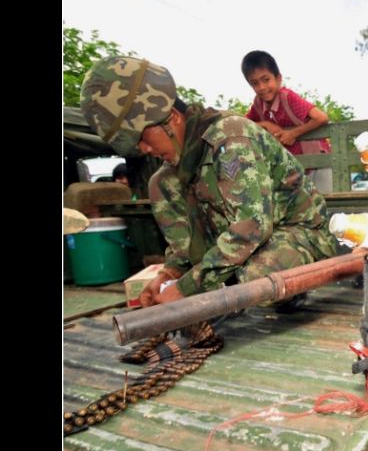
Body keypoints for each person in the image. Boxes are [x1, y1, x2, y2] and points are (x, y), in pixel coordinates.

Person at [80, 56, 338, 308]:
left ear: (172, 118)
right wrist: (169, 276)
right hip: (249, 244)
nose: (145, 149)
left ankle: (290, 288)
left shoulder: (231, 139)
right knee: (161, 182)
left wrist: (186, 288)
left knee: (254, 280)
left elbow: (253, 227)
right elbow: (184, 246)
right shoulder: (169, 175)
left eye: (144, 139)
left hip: (300, 233)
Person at [241, 50, 333, 194]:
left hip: (318, 162)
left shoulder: (288, 97)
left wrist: (293, 133)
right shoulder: (259, 104)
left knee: (327, 205)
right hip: (296, 169)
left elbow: (321, 117)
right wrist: (265, 124)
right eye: (254, 83)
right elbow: (242, 125)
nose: (262, 87)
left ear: (278, 79)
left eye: (266, 80)